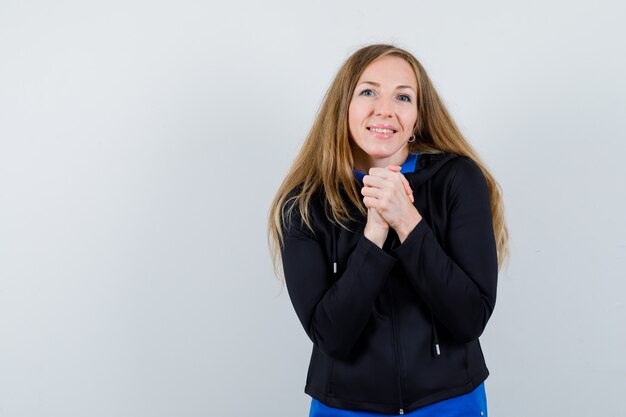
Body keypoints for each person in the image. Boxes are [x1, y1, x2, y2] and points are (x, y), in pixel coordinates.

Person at [267, 44, 509, 416]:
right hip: (345, 406)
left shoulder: (458, 179)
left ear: (417, 116)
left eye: (403, 96)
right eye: (368, 91)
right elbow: (330, 336)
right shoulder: (304, 202)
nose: (385, 109)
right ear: (343, 107)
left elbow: (470, 318)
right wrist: (374, 234)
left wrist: (408, 222)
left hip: (449, 402)